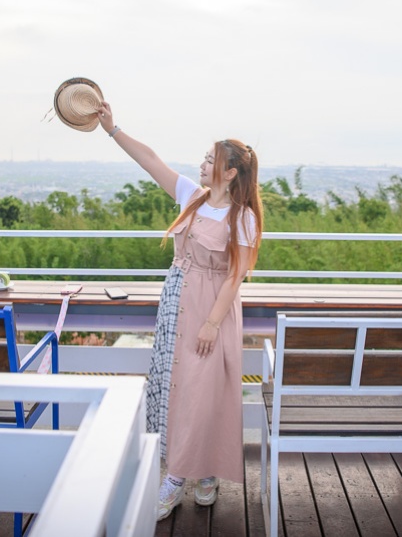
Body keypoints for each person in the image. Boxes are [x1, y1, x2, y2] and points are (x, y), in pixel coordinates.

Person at [96, 102, 264, 520]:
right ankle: (199, 471)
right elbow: (151, 160)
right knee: (179, 389)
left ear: (230, 173)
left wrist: (211, 323)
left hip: (212, 310)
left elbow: (234, 277)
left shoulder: (242, 218)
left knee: (203, 391)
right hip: (176, 302)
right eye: (206, 157)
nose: (204, 164)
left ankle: (179, 478)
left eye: (212, 160)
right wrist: (112, 130)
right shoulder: (193, 196)